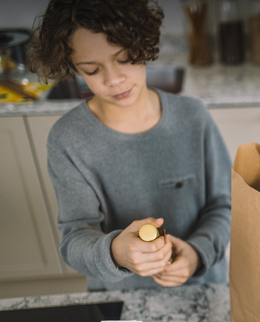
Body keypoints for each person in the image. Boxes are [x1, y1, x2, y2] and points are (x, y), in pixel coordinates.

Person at [27, 0, 232, 290]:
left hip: (203, 289)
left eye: (123, 59)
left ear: (143, 45)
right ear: (72, 67)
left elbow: (225, 204)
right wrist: (116, 253)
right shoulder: (67, 138)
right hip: (121, 304)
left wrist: (198, 253)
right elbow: (75, 238)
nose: (114, 79)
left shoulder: (193, 117)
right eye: (92, 70)